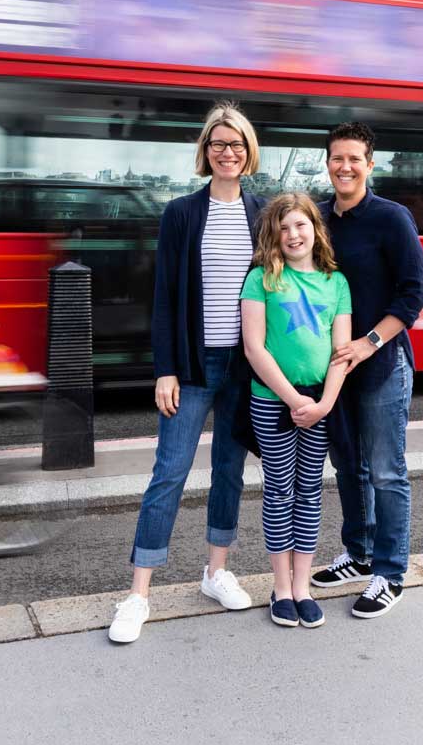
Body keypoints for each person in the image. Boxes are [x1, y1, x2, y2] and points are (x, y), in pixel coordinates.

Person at [108, 102, 266, 645]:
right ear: (206, 151)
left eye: (237, 144)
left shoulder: (262, 213)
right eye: (219, 143)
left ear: (249, 154)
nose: (228, 151)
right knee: (169, 472)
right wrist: (166, 369)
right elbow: (164, 299)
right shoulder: (180, 213)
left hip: (247, 367)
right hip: (195, 365)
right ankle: (138, 594)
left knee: (229, 470)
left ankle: (215, 571)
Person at [311, 121, 423, 618]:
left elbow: (415, 292)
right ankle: (359, 554)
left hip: (381, 364)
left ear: (369, 164)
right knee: (347, 468)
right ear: (328, 162)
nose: (345, 166)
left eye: (354, 158)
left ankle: (390, 572)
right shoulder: (316, 218)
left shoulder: (391, 217)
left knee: (386, 471)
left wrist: (370, 341)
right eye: (337, 158)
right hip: (334, 368)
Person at [240, 193, 352, 629]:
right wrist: (293, 400)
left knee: (309, 492)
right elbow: (254, 348)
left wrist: (323, 403)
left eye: (300, 225)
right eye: (283, 228)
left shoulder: (335, 283)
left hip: (319, 404)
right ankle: (281, 587)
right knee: (279, 490)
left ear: (315, 230)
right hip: (274, 401)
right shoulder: (260, 280)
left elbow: (342, 351)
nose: (293, 234)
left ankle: (303, 586)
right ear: (274, 234)